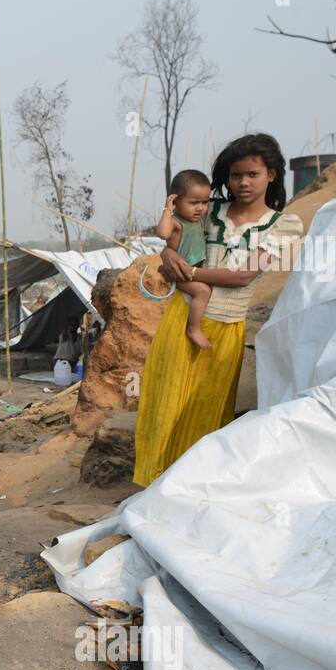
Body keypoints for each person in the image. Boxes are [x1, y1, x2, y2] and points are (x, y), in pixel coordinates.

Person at [133, 133, 304, 487]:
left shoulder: (284, 225)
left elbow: (243, 276)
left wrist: (190, 272)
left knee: (205, 411)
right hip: (182, 320)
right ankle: (154, 488)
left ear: (271, 174)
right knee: (165, 405)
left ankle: (189, 488)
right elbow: (174, 240)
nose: (242, 182)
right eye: (235, 175)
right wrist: (168, 253)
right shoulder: (207, 209)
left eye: (252, 174)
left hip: (227, 328)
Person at [155, 169, 215, 348]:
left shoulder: (198, 221)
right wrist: (168, 209)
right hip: (178, 273)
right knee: (203, 291)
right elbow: (163, 233)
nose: (201, 208)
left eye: (205, 202)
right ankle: (193, 328)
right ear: (176, 200)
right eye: (194, 202)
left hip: (193, 270)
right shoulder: (176, 222)